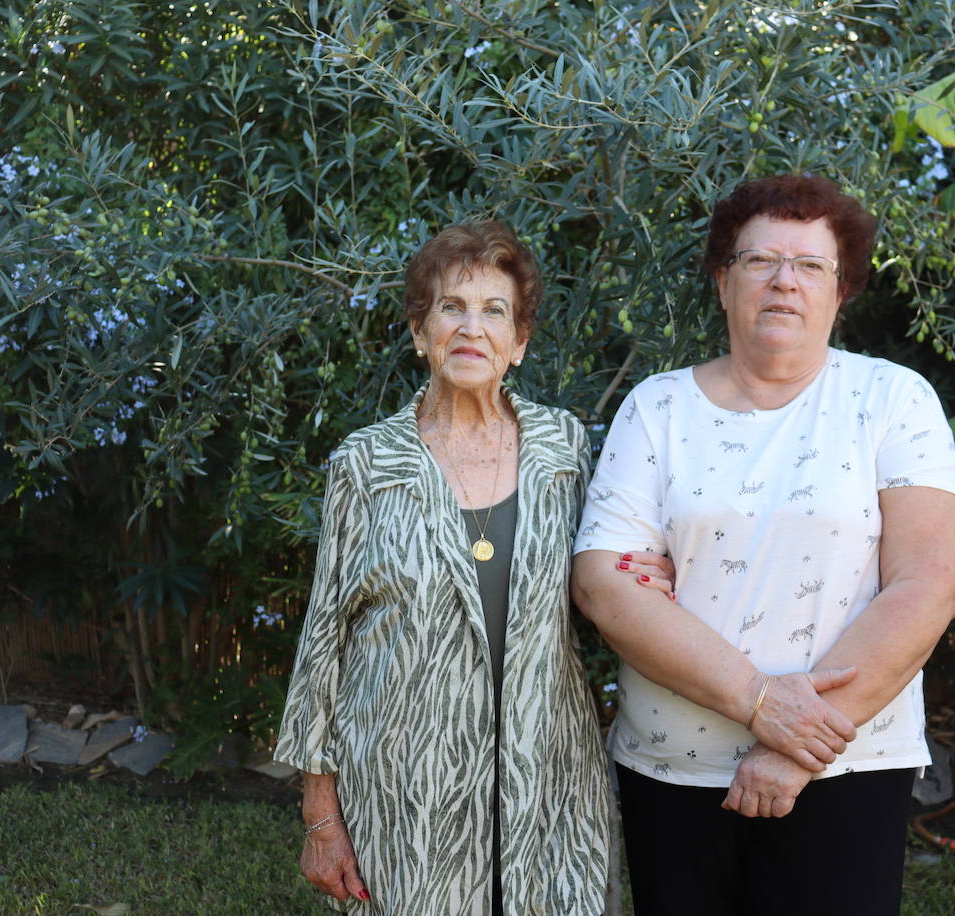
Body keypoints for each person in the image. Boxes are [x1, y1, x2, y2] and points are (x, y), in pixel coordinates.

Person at [570, 175, 955, 915]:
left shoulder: (894, 401)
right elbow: (604, 583)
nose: (785, 281)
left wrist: (792, 744)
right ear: (723, 283)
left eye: (810, 265)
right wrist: (759, 701)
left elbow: (933, 580)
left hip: (846, 769)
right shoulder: (655, 409)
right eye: (760, 262)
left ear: (841, 290)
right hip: (673, 773)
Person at [274, 221, 672, 915]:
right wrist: (320, 816)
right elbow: (322, 648)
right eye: (450, 307)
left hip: (545, 778)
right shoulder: (365, 465)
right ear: (419, 331)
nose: (470, 328)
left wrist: (650, 576)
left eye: (495, 312)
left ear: (519, 343)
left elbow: (605, 575)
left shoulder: (564, 450)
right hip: (404, 793)